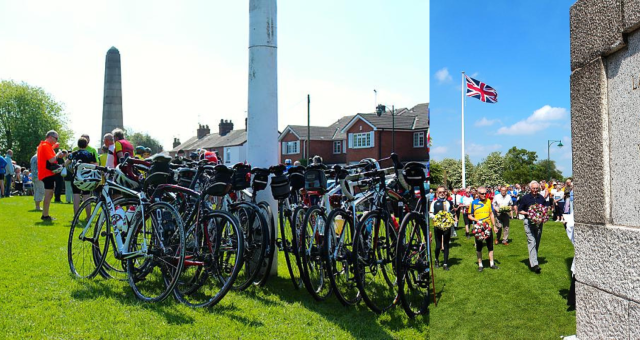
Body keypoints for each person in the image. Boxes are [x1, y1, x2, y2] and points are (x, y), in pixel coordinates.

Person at [518, 180, 550, 274]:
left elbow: (545, 208)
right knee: (531, 241)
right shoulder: (525, 198)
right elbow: (520, 210)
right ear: (530, 188)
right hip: (528, 222)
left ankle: (533, 259)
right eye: (533, 188)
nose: (535, 190)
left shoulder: (541, 198)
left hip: (539, 223)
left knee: (537, 241)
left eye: (536, 188)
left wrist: (543, 215)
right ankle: (535, 265)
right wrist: (528, 213)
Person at [468, 186, 499, 272]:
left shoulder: (489, 201)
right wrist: (476, 220)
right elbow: (469, 215)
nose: (484, 195)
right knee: (479, 246)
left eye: (485, 193)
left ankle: (492, 263)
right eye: (482, 194)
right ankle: (480, 264)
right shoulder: (473, 203)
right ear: (478, 194)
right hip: (478, 228)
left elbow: (491, 214)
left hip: (488, 227)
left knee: (490, 246)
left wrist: (494, 225)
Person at [66, 137, 98, 214]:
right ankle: (88, 217)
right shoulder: (90, 154)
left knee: (76, 197)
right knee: (87, 197)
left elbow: (66, 163)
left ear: (78, 144)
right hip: (86, 177)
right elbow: (95, 165)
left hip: (76, 177)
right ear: (87, 145)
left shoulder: (73, 154)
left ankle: (76, 218)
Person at [38, 130, 63, 221]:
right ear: (50, 137)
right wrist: (58, 155)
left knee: (49, 194)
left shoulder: (44, 145)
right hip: (47, 173)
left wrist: (54, 147)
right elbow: (52, 160)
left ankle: (45, 214)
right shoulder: (45, 146)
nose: (56, 140)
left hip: (46, 173)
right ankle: (45, 215)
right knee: (48, 194)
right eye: (56, 138)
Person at [429, 186, 453, 271]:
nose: (442, 193)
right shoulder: (434, 203)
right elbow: (430, 214)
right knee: (438, 245)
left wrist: (449, 218)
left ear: (445, 193)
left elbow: (450, 213)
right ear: (437, 193)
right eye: (440, 192)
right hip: (438, 226)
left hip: (447, 226)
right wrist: (437, 217)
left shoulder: (448, 202)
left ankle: (445, 263)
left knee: (446, 244)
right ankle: (436, 259)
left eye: (443, 192)